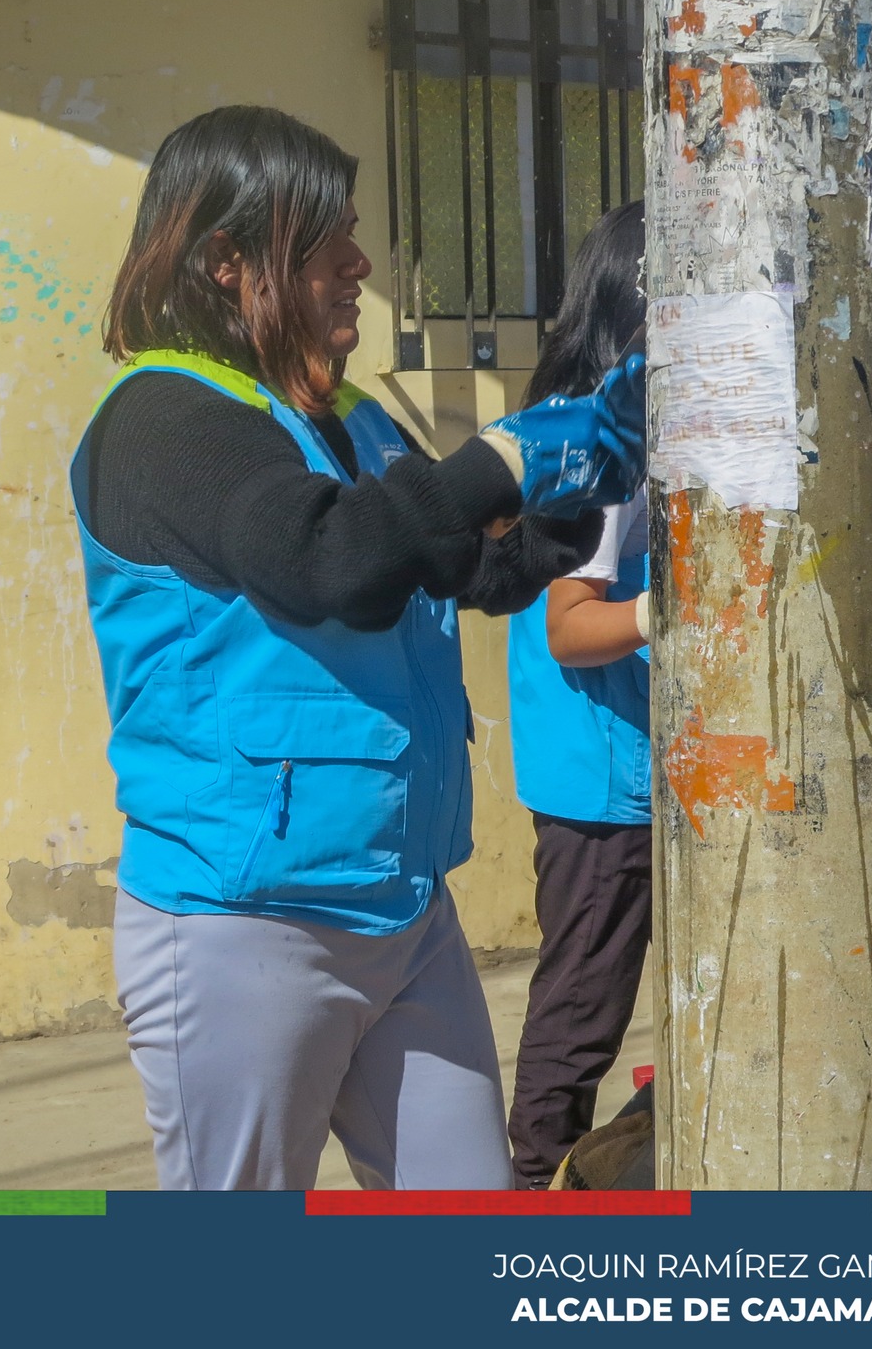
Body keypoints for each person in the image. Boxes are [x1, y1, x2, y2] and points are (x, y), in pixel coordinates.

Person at [72, 105, 643, 1189]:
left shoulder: (352, 423)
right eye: (323, 239)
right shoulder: (161, 420)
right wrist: (511, 453)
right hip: (240, 926)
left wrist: (592, 478)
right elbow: (327, 559)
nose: (358, 263)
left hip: (401, 908)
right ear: (228, 263)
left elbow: (475, 567)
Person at [504, 203, 655, 1186]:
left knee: (593, 985)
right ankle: (533, 1180)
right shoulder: (602, 433)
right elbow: (572, 623)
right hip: (601, 771)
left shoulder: (581, 411)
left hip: (611, 759)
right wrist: (680, 613)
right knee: (583, 1000)